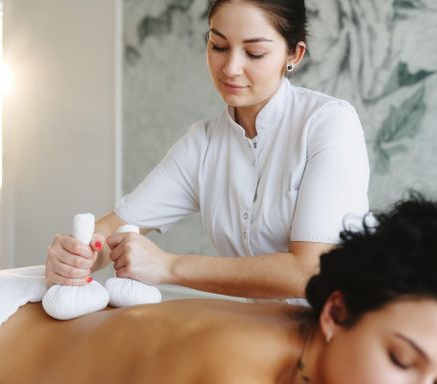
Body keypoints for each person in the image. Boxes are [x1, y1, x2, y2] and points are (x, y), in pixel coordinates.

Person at [0, 194, 437, 383]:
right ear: (335, 314)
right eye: (401, 362)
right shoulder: (235, 374)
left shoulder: (317, 323)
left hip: (16, 303)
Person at [45, 0, 370, 299]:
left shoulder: (328, 123)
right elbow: (114, 226)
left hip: (342, 334)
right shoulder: (203, 144)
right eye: (218, 46)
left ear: (294, 55)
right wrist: (79, 254)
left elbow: (310, 272)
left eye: (254, 53)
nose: (230, 67)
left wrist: (169, 266)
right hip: (260, 336)